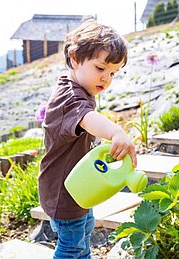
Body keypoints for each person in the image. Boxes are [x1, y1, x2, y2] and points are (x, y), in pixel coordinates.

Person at [38, 20, 137, 258]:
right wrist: (115, 132)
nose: (106, 78)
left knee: (84, 232)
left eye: (113, 72)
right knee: (71, 244)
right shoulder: (69, 96)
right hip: (63, 190)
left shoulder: (81, 90)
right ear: (74, 58)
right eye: (100, 68)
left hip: (80, 187)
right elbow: (87, 118)